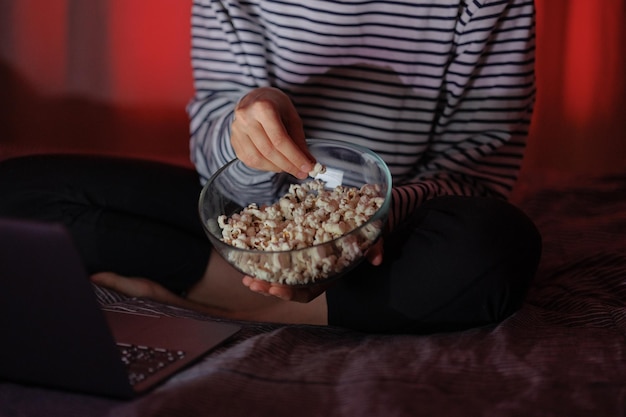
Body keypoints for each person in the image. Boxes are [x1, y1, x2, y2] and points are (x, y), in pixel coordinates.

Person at [0, 0, 541, 334]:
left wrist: (372, 219)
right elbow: (220, 164)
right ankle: (251, 288)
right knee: (17, 192)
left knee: (498, 245)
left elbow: (478, 173)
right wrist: (247, 129)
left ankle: (241, 314)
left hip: (391, 239)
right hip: (248, 217)